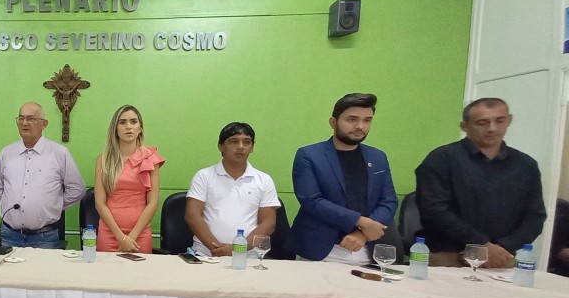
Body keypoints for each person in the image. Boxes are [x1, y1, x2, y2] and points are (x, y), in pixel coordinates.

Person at [415, 97, 546, 268]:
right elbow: (433, 210)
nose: (492, 128)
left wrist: (502, 248)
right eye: (482, 123)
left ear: (509, 120)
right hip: (449, 256)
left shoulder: (526, 165)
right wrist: (481, 245)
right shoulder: (441, 159)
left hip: (501, 257)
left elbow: (535, 216)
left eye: (500, 121)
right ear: (464, 126)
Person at [288, 93, 398, 263]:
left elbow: (389, 201)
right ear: (333, 122)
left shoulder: (378, 157)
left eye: (367, 120)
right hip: (321, 251)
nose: (360, 126)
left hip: (369, 250)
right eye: (352, 119)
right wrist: (361, 222)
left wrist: (362, 233)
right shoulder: (309, 155)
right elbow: (312, 201)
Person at [0, 102, 85, 249]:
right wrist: (11, 201)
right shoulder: (7, 153)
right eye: (21, 118)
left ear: (44, 124)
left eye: (31, 118)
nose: (24, 123)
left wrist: (53, 205)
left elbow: (77, 189)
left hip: (45, 237)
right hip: (9, 235)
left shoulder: (59, 153)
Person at [185, 122, 279, 257]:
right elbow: (192, 215)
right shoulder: (204, 176)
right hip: (206, 254)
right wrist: (218, 249)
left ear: (252, 148)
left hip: (248, 256)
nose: (241, 147)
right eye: (234, 141)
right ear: (220, 146)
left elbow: (268, 223)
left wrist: (237, 249)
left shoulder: (264, 180)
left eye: (247, 142)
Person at [94, 105, 165, 253]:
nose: (128, 127)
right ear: (115, 129)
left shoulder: (151, 159)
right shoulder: (103, 160)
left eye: (133, 122)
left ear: (140, 128)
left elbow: (153, 203)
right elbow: (100, 203)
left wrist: (131, 237)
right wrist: (122, 238)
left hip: (139, 234)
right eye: (122, 122)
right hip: (110, 233)